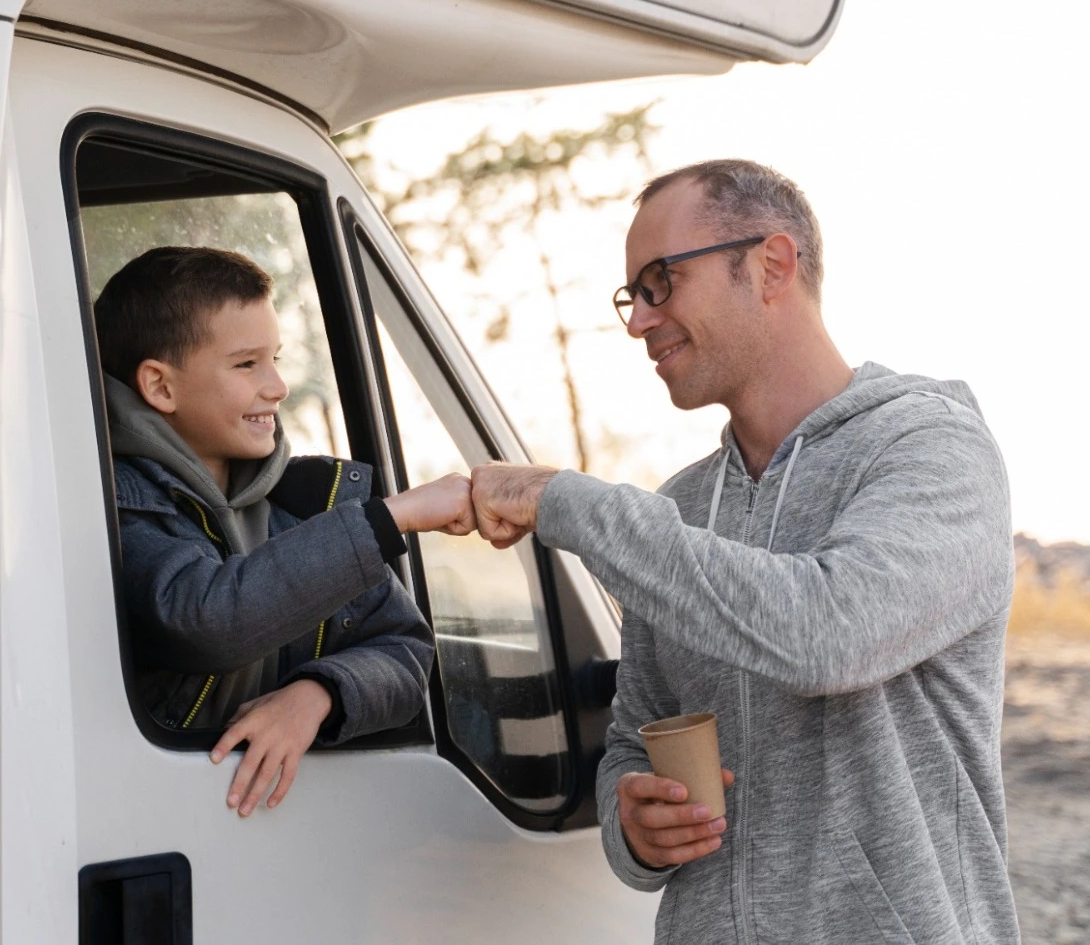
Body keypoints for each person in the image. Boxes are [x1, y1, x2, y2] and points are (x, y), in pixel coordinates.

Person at [470, 160, 1017, 944]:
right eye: (632, 295)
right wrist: (634, 823)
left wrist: (564, 500)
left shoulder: (932, 449)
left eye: (661, 282)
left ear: (771, 266)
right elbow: (636, 731)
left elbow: (828, 634)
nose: (638, 320)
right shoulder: (683, 508)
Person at [96, 245, 472, 818]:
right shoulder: (113, 504)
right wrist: (390, 518)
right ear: (160, 387)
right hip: (153, 816)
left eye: (274, 358)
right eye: (246, 364)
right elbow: (209, 619)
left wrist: (317, 693)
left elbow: (405, 649)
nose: (277, 386)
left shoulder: (304, 507)